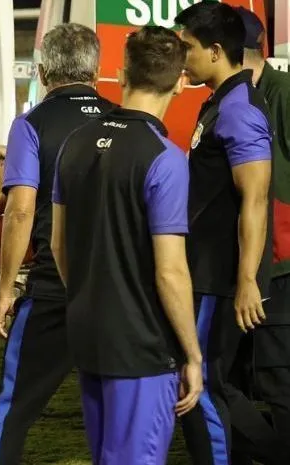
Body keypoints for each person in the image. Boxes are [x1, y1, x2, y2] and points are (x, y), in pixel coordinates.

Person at [51, 25, 203, 465]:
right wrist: (192, 355)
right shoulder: (166, 159)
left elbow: (59, 246)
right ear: (180, 82)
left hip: (88, 333)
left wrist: (86, 299)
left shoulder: (74, 144)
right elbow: (170, 271)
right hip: (141, 346)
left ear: (120, 75)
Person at [0, 23, 116, 465]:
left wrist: (4, 289)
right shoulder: (127, 121)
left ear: (41, 71)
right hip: (117, 289)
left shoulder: (31, 125)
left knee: (14, 408)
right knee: (116, 415)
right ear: (97, 71)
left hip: (55, 287)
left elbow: (20, 210)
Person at [174, 3, 286, 465]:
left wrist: (245, 281)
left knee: (203, 386)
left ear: (217, 51)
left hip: (219, 277)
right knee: (205, 384)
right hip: (208, 271)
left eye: (188, 49)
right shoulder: (221, 101)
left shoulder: (238, 110)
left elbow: (256, 200)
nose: (181, 59)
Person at [234, 6, 290, 462]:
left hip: (282, 268)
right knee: (231, 378)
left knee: (280, 381)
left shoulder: (284, 95)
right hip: (242, 265)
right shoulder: (229, 100)